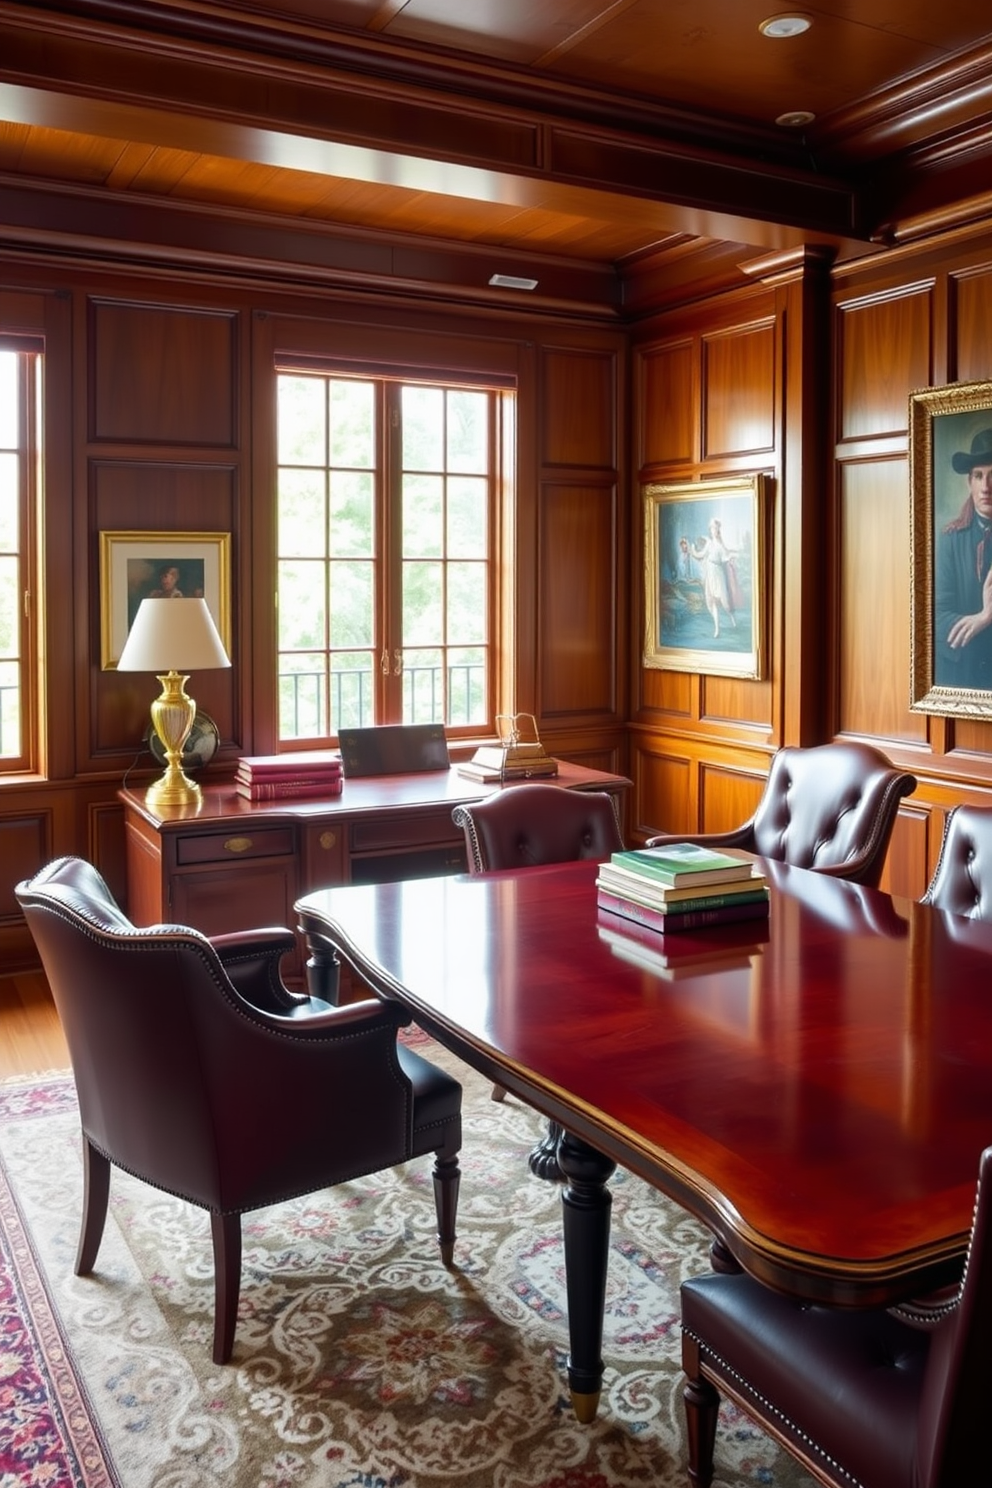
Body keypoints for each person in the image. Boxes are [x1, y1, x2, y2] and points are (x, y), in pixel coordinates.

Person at [934, 429, 992, 689]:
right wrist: (982, 619)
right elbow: (935, 616)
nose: (986, 487)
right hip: (961, 676)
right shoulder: (949, 538)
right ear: (969, 482)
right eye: (978, 476)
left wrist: (987, 616)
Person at [691, 517, 742, 638]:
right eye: (712, 528)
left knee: (725, 603)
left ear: (718, 530)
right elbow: (700, 555)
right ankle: (717, 629)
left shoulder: (720, 545)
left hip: (718, 575)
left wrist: (731, 558)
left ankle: (732, 617)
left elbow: (726, 558)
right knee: (711, 601)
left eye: (715, 528)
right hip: (710, 575)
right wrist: (692, 549)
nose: (713, 530)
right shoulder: (709, 543)